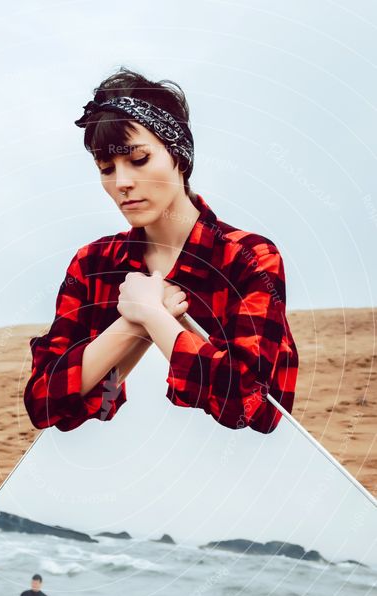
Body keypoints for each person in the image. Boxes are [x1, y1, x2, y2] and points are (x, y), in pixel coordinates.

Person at [23, 67, 298, 435]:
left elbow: (250, 406)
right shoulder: (92, 265)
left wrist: (157, 318)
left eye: (138, 160)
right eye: (106, 168)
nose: (122, 183)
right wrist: (133, 321)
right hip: (111, 473)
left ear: (179, 156)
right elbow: (43, 402)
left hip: (236, 481)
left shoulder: (247, 258)